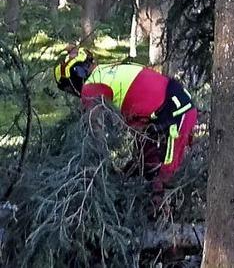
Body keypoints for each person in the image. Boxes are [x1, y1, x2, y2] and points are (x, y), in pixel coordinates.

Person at [53, 46, 197, 207]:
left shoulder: (91, 86)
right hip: (167, 111)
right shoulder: (107, 71)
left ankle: (168, 216)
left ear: (74, 77)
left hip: (175, 114)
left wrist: (101, 168)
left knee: (164, 175)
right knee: (143, 165)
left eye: (68, 88)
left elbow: (94, 133)